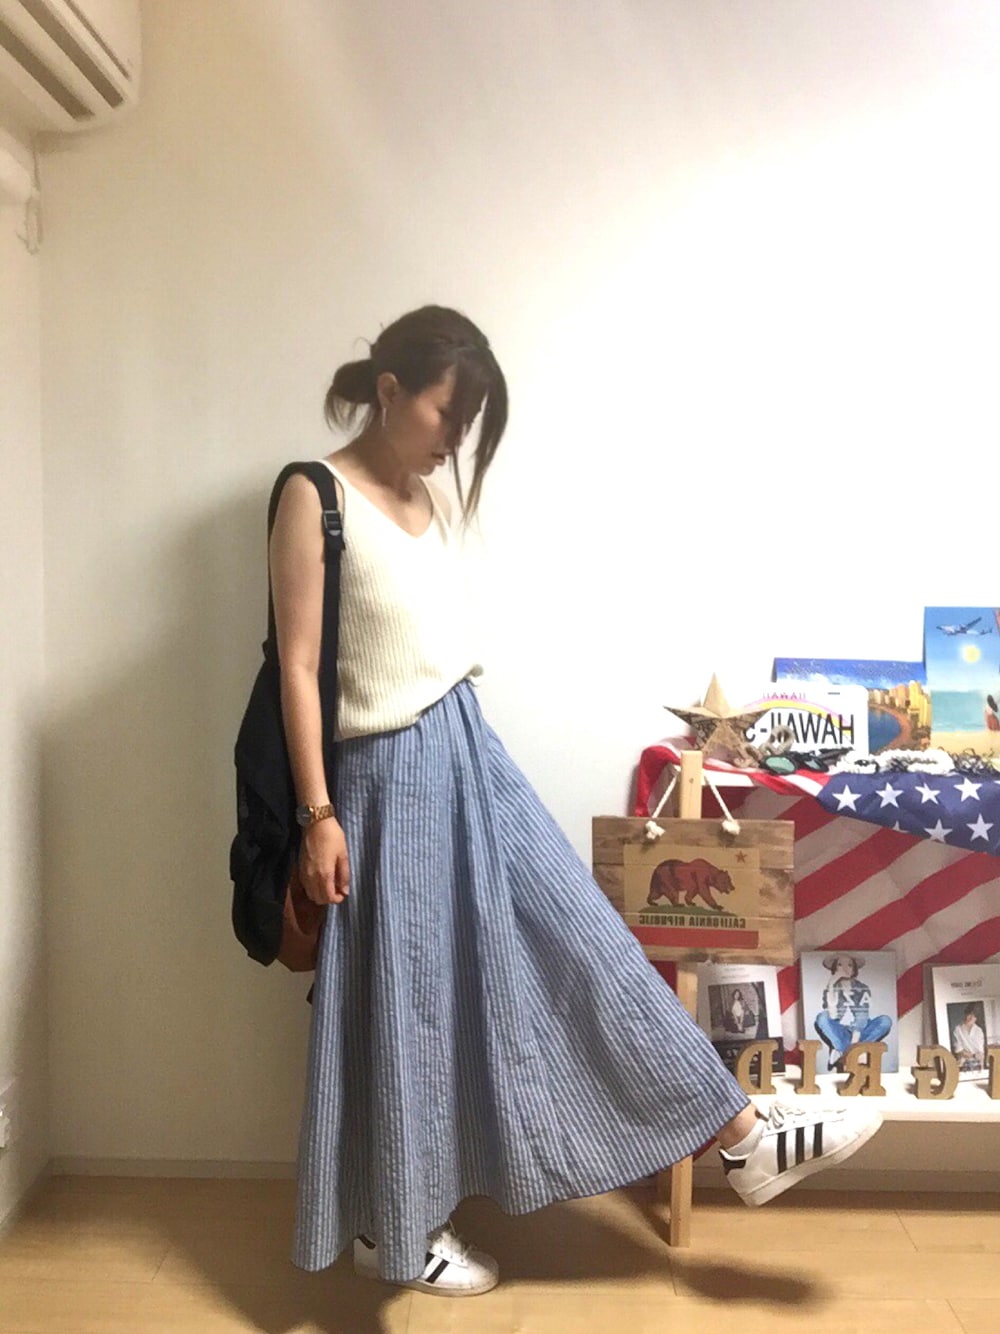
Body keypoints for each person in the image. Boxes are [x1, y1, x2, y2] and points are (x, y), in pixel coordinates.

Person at [269, 305, 882, 1297]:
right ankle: (398, 1229)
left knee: (587, 940)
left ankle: (743, 1135)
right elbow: (300, 668)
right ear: (388, 389)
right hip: (383, 773)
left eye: (470, 422)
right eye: (446, 413)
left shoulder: (427, 503)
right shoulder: (314, 494)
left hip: (468, 747)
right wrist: (318, 814)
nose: (455, 438)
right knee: (412, 1003)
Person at [815, 955, 892, 1073]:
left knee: (885, 1021)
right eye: (840, 965)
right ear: (835, 968)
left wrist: (854, 1045)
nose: (845, 968)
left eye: (849, 965)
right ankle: (848, 1050)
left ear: (854, 969)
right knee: (822, 1017)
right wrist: (831, 984)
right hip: (841, 1032)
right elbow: (833, 1015)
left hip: (860, 1031)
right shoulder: (832, 988)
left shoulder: (862, 988)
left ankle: (845, 1051)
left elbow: (862, 1015)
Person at [951, 1005, 986, 1072]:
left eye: (974, 1016)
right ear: (966, 1014)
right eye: (969, 1014)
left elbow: (981, 1053)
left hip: (977, 1064)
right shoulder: (957, 1030)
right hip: (963, 1064)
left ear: (976, 1018)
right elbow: (959, 1051)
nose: (971, 1018)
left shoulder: (979, 1031)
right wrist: (973, 1055)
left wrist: (982, 1068)